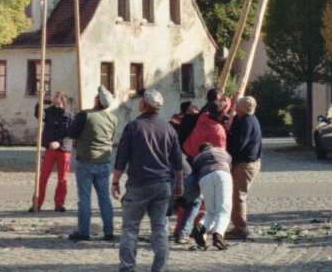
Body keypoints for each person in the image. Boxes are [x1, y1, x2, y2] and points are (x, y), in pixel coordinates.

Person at [113, 90, 184, 272]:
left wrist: (115, 182)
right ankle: (159, 268)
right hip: (162, 185)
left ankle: (128, 268)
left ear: (143, 105)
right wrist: (179, 183)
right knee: (160, 228)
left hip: (138, 184)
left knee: (130, 228)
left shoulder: (134, 127)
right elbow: (177, 160)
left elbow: (122, 157)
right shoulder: (169, 129)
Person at [173, 95, 229, 242]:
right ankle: (190, 230)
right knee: (197, 200)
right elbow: (220, 154)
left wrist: (222, 98)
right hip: (203, 164)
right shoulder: (217, 131)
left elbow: (209, 109)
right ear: (221, 114)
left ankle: (180, 229)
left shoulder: (202, 118)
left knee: (187, 198)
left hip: (187, 157)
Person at [67, 87, 118, 242]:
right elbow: (112, 139)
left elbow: (72, 133)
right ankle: (108, 231)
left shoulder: (85, 115)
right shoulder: (113, 118)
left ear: (97, 100)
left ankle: (84, 232)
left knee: (84, 199)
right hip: (104, 162)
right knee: (105, 199)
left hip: (86, 162)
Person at [225, 95, 262, 241]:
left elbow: (239, 144)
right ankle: (239, 226)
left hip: (246, 164)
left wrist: (226, 155)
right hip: (245, 163)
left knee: (238, 196)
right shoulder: (243, 119)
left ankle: (240, 229)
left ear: (241, 107)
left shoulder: (247, 122)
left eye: (237, 104)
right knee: (237, 195)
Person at [32, 93, 72, 213]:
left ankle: (59, 204)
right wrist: (40, 100)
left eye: (57, 96)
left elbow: (70, 133)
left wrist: (59, 143)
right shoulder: (48, 112)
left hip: (63, 150)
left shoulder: (69, 115)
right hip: (50, 149)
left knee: (62, 179)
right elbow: (38, 115)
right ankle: (36, 203)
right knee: (43, 177)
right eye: (55, 96)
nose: (55, 98)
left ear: (62, 100)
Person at [189, 142, 233, 250]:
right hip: (222, 174)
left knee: (211, 211)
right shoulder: (222, 151)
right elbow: (230, 163)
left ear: (200, 151)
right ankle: (218, 235)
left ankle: (200, 227)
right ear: (211, 147)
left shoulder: (197, 158)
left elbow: (194, 174)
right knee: (224, 210)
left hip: (205, 177)